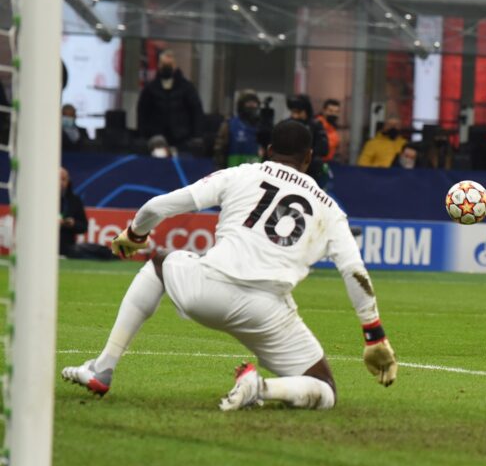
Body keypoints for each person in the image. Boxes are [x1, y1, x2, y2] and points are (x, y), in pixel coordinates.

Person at [61, 120, 398, 409]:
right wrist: (374, 337)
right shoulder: (329, 208)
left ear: (267, 150)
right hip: (266, 313)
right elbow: (354, 272)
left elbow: (157, 206)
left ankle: (103, 368)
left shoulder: (242, 174)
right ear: (309, 158)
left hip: (206, 290)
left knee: (160, 263)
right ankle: (262, 388)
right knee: (324, 389)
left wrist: (136, 234)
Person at [137, 50, 205, 149]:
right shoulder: (150, 88)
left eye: (170, 64)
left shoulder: (187, 87)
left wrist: (197, 136)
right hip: (156, 139)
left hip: (182, 139)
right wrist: (143, 136)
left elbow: (196, 111)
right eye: (164, 64)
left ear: (175, 65)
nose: (167, 67)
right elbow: (142, 113)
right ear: (159, 65)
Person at [286, 95, 331, 187]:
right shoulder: (286, 124)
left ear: (306, 111)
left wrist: (305, 154)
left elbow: (324, 149)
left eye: (298, 112)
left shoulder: (315, 125)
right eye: (293, 112)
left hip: (309, 169)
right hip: (288, 167)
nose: (295, 116)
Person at [213, 91, 265, 169]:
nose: (252, 105)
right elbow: (219, 151)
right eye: (248, 102)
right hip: (233, 171)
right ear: (241, 105)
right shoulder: (230, 125)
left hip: (256, 172)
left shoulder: (263, 127)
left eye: (254, 103)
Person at [315, 98, 343, 163]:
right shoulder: (317, 125)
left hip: (328, 162)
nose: (333, 114)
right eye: (330, 111)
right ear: (324, 110)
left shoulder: (332, 127)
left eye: (336, 112)